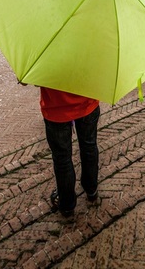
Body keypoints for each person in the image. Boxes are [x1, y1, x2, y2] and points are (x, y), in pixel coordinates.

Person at [39, 86, 100, 217]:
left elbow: (27, 80)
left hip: (56, 108)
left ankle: (67, 205)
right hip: (87, 102)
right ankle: (91, 190)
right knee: (89, 146)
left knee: (62, 159)